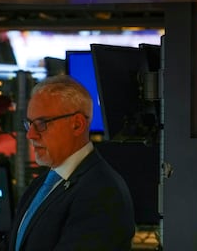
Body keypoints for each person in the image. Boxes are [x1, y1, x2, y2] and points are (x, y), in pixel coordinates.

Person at [8, 75, 135, 251]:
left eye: (42, 123)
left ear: (77, 125)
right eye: (29, 124)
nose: (31, 135)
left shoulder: (102, 191)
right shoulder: (43, 183)